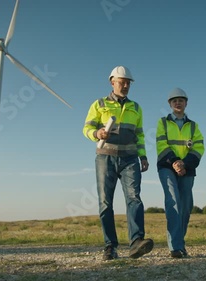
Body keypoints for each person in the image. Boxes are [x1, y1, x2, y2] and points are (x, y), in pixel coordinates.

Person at [83, 65, 154, 260]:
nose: (125, 86)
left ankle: (136, 243)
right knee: (105, 202)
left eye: (128, 83)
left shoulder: (136, 107)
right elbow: (86, 128)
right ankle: (110, 246)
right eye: (122, 82)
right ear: (112, 82)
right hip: (105, 158)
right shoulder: (99, 104)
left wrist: (144, 156)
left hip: (130, 159)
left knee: (134, 198)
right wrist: (97, 133)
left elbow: (139, 135)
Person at [156, 87, 205, 258]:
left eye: (181, 100)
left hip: (187, 168)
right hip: (167, 167)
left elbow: (199, 148)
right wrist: (176, 162)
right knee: (174, 202)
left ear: (186, 103)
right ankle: (175, 247)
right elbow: (162, 146)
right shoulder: (162, 123)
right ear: (170, 104)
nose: (178, 102)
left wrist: (185, 163)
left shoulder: (193, 126)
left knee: (185, 206)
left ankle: (180, 242)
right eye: (174, 100)